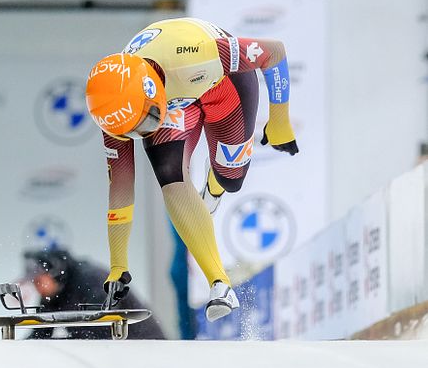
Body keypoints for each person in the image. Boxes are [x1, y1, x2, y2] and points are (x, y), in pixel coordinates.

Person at [85, 17, 299, 322]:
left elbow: (274, 52)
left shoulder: (201, 53)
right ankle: (219, 284)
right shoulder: (114, 111)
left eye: (147, 121)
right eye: (135, 131)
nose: (145, 132)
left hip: (221, 87)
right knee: (169, 175)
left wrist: (279, 121)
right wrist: (118, 264)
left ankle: (213, 187)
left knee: (231, 177)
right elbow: (120, 189)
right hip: (175, 105)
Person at [23, 247, 165, 339]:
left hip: (145, 346)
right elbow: (41, 333)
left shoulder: (90, 280)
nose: (37, 287)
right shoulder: (55, 291)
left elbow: (102, 329)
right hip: (118, 349)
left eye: (38, 281)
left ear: (56, 273)